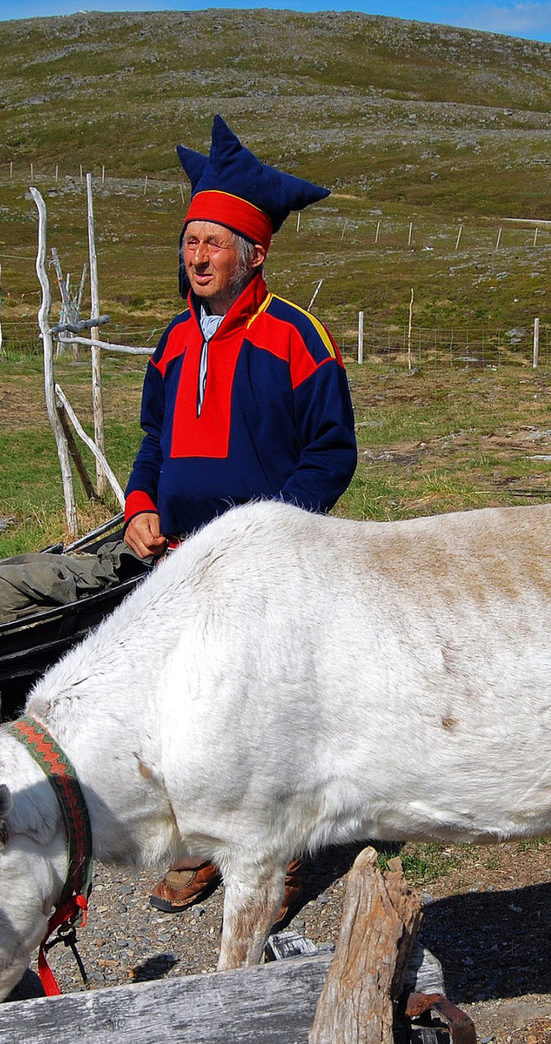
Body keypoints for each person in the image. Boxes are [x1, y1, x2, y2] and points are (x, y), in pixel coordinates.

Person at [127, 115, 356, 912]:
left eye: (213, 243)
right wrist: (140, 504)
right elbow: (154, 439)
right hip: (177, 559)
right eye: (190, 242)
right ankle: (198, 844)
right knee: (182, 704)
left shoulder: (299, 338)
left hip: (264, 565)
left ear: (255, 253)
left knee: (262, 713)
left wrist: (266, 530)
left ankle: (280, 852)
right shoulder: (169, 345)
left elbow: (332, 456)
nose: (196, 258)